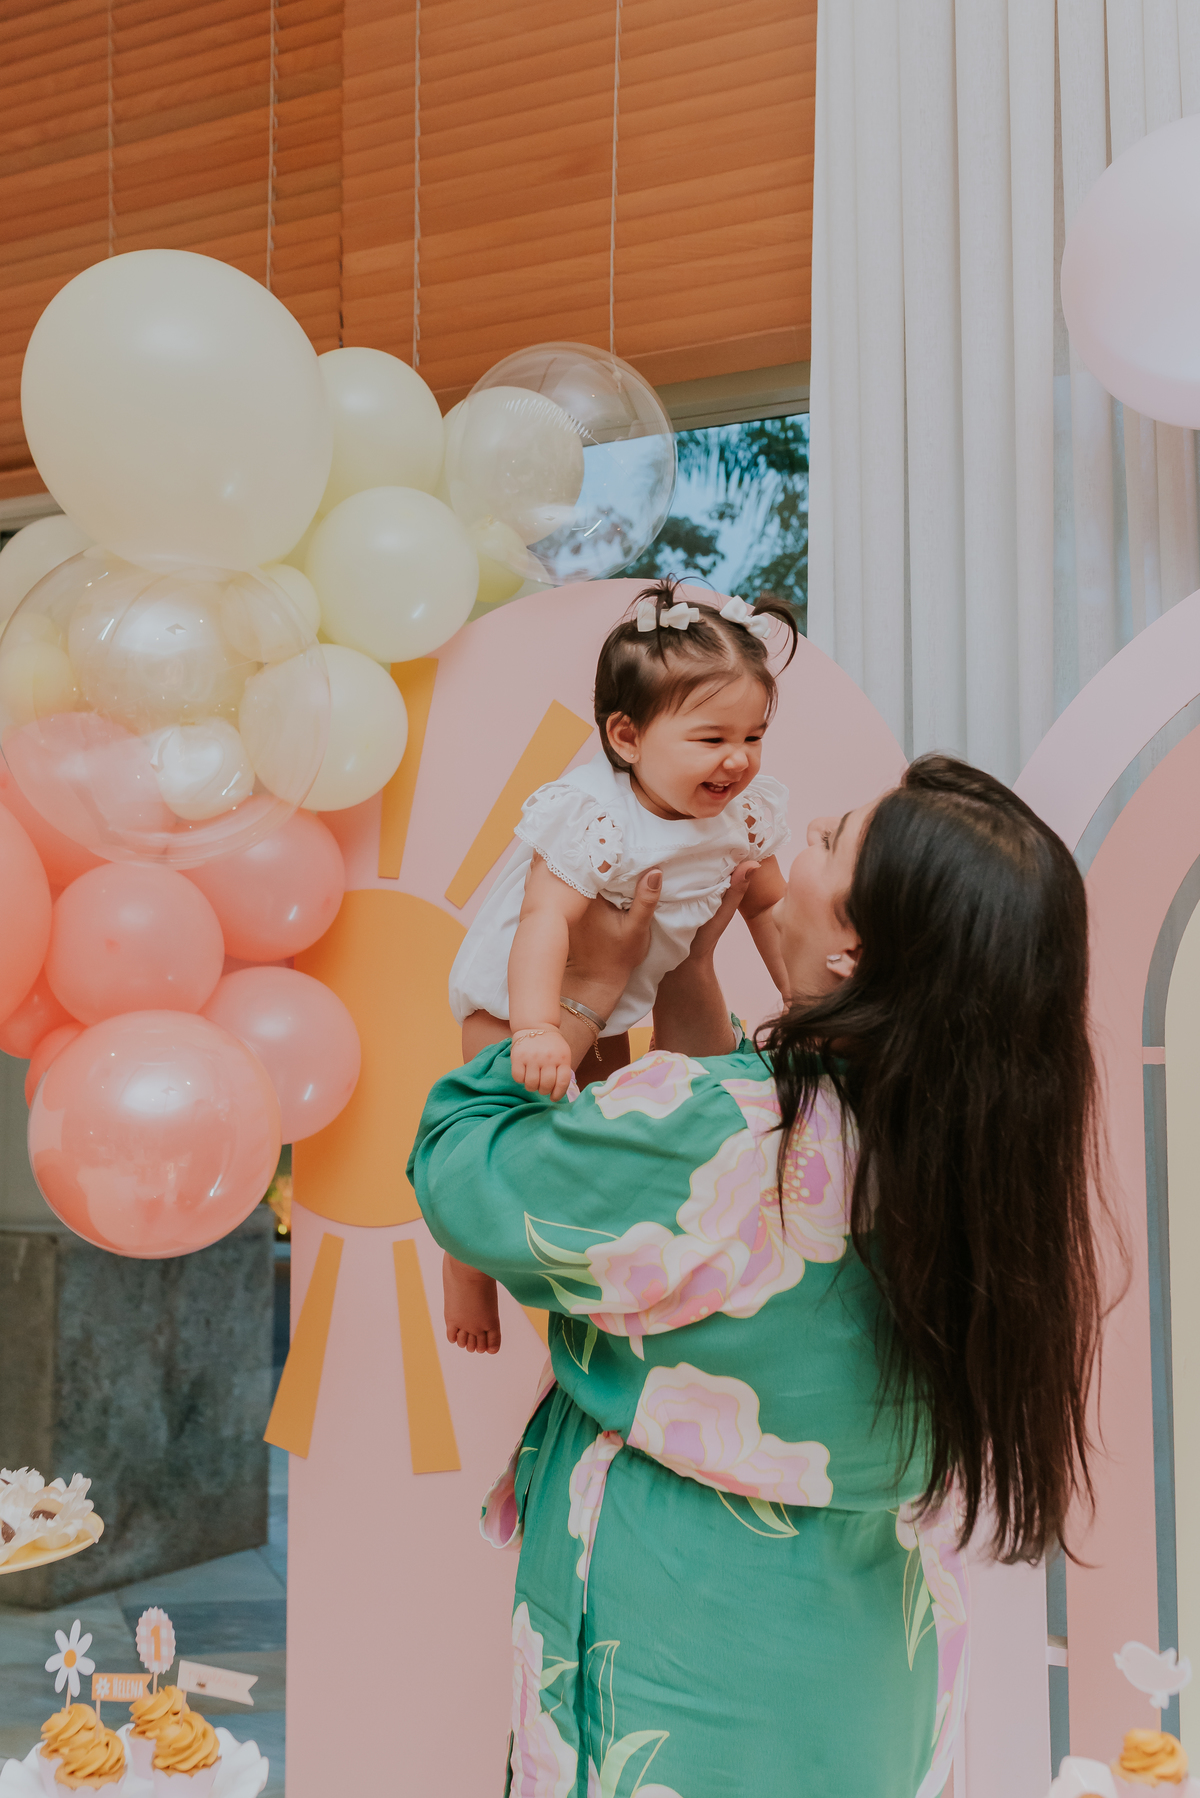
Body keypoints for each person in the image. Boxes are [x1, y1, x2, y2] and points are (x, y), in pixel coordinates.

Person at [410, 755, 1107, 1797]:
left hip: (684, 1641)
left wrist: (589, 992)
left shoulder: (729, 1129)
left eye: (826, 842)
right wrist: (693, 975)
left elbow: (465, 1169)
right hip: (873, 1652)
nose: (796, 838)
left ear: (853, 945)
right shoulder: (980, 1155)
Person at [442, 578, 798, 1353]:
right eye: (711, 739)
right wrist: (533, 1027)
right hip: (516, 1000)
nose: (737, 761)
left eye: (753, 735)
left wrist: (802, 995)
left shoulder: (740, 813)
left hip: (617, 1000)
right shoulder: (594, 816)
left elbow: (771, 907)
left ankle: (601, 1296)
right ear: (628, 737)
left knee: (601, 1149)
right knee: (507, 1137)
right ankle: (465, 1260)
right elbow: (544, 920)